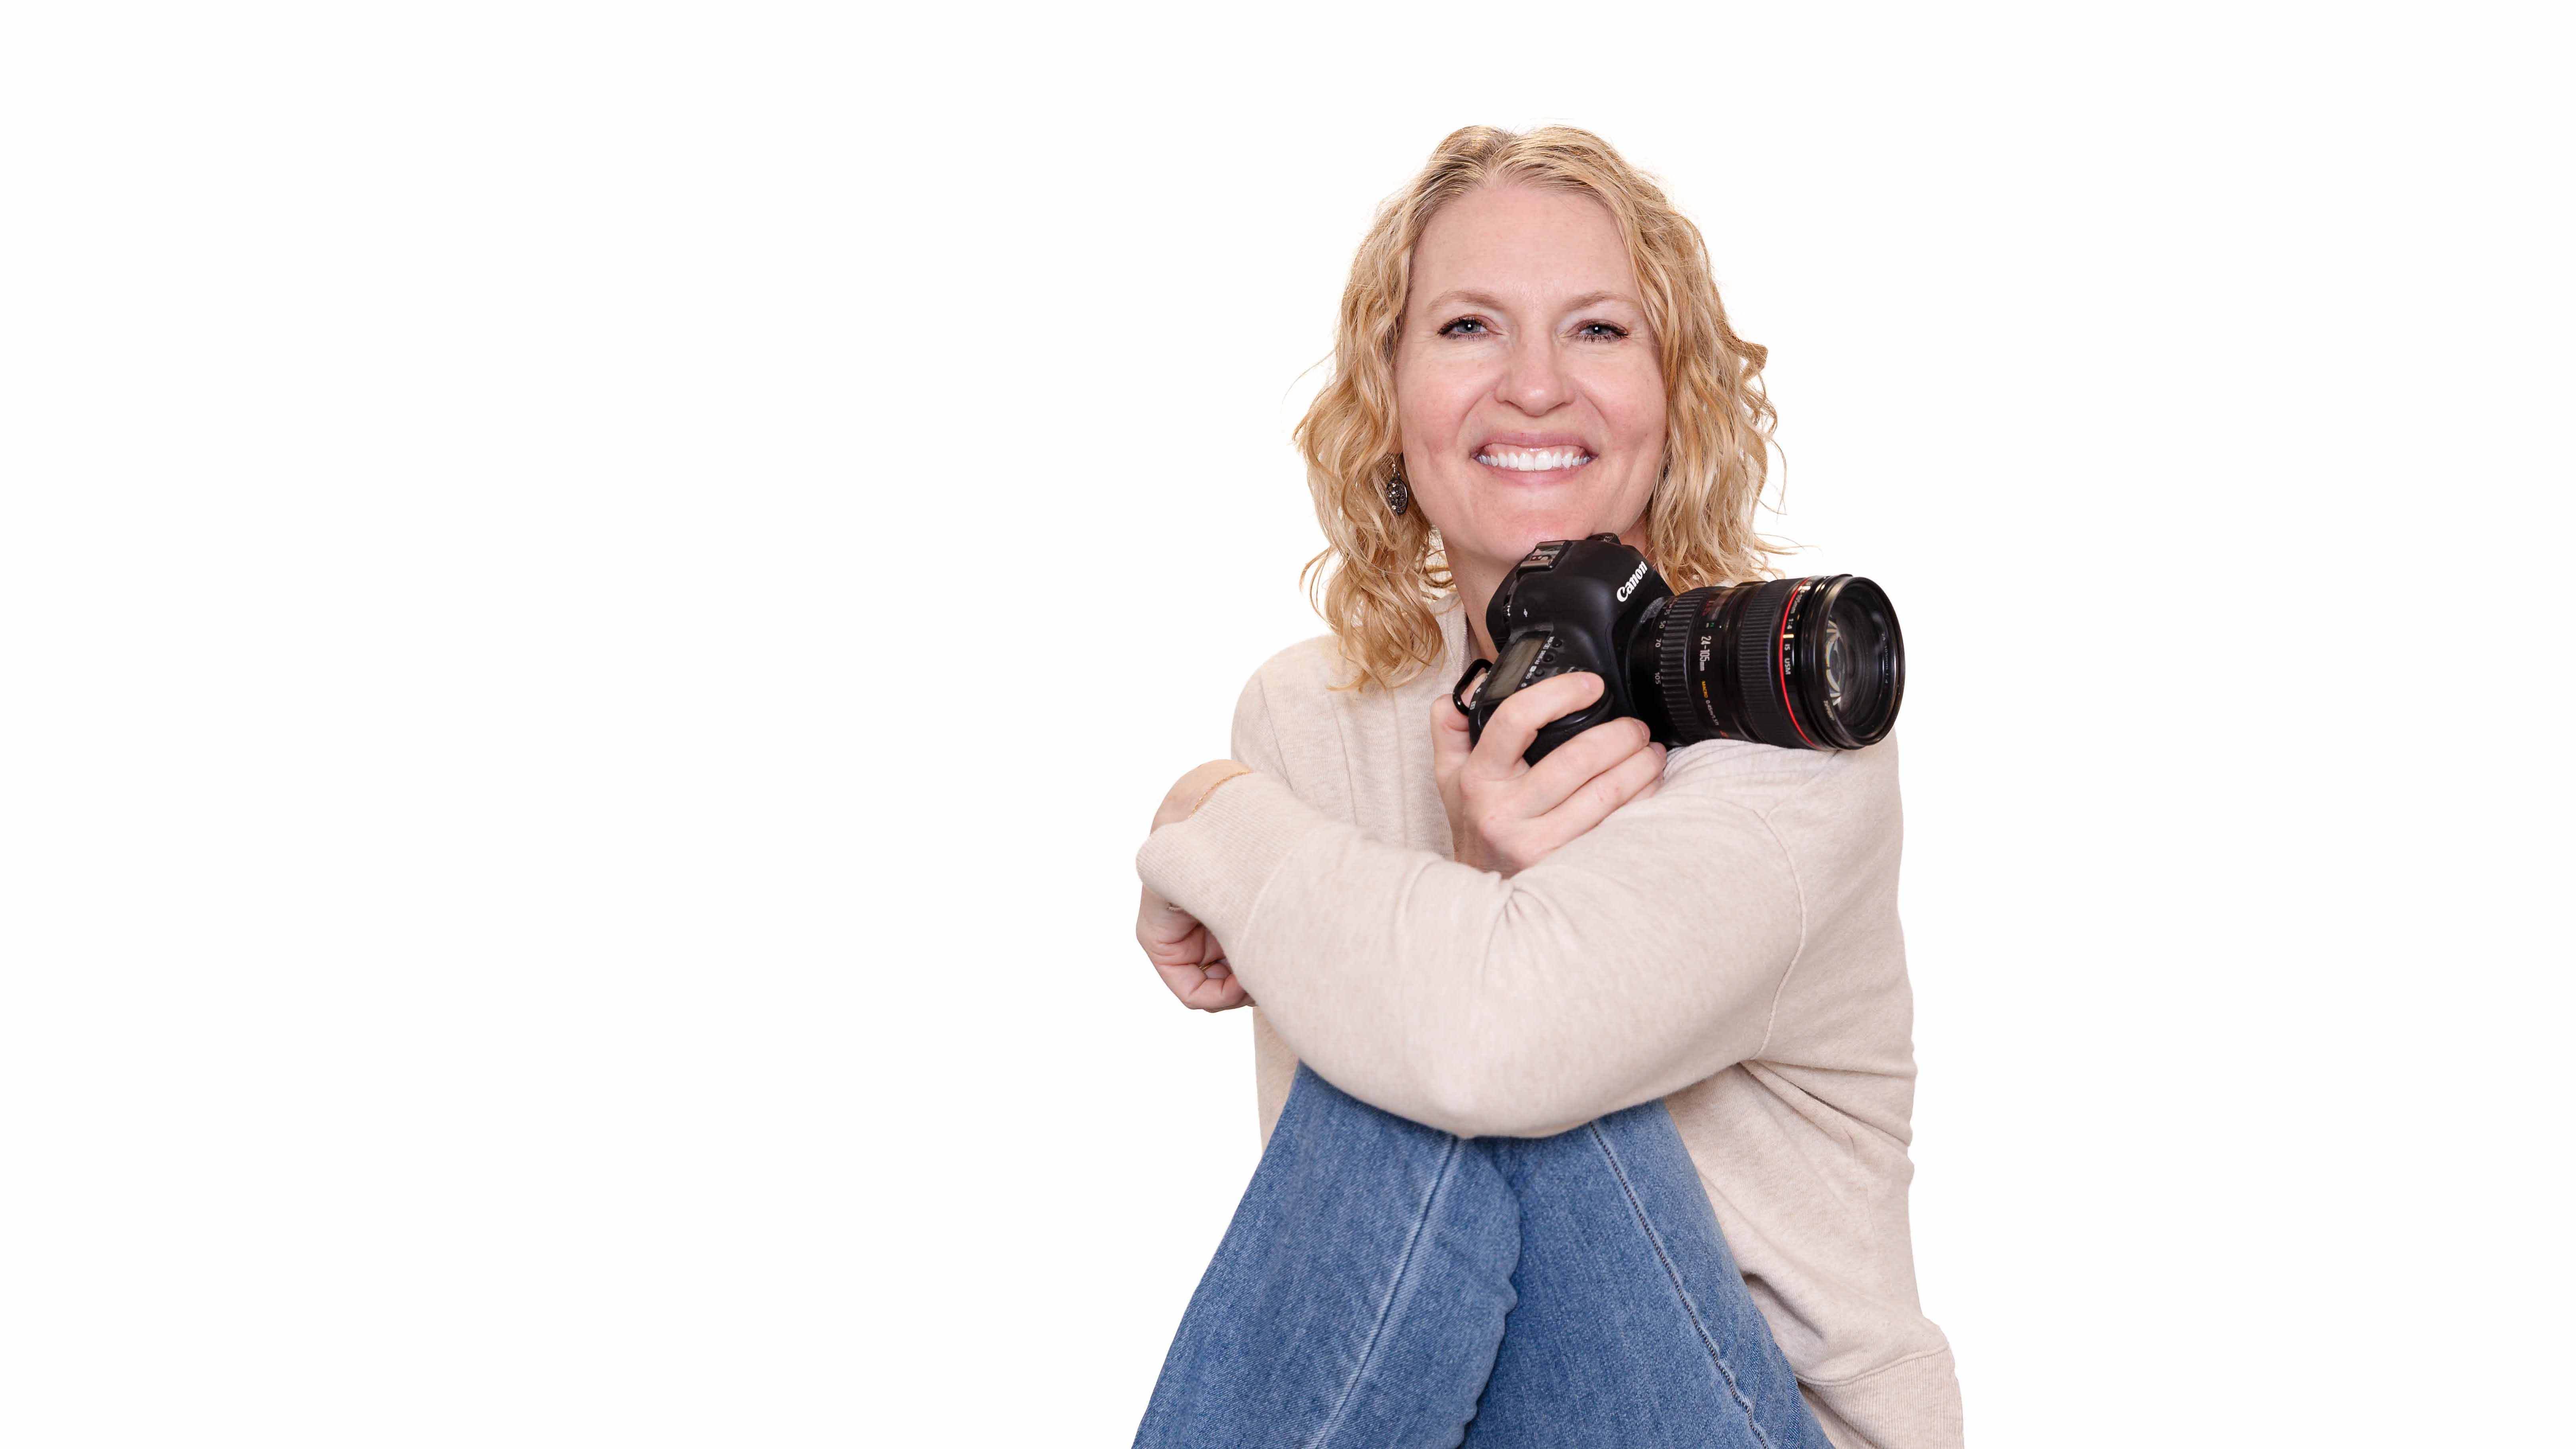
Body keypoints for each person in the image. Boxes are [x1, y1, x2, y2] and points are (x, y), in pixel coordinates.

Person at [1129, 125, 1963, 1449]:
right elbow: (1360, 1270)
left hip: (1751, 1419)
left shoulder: (1791, 723)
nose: (1531, 387)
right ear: (1387, 402)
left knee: (1454, 1050)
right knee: (1416, 1047)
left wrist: (1198, 812)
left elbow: (1476, 1046)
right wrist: (1457, 875)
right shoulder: (1308, 719)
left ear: (1674, 401)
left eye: (1596, 331)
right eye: (1467, 327)